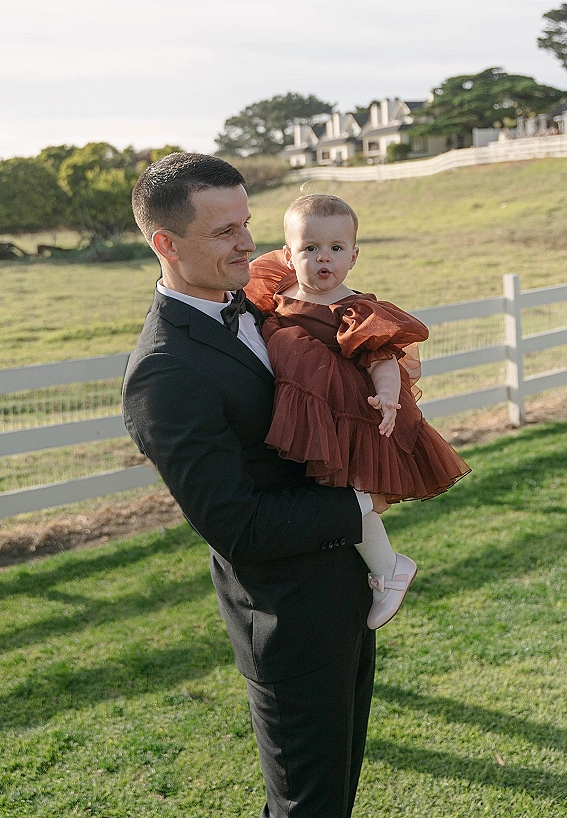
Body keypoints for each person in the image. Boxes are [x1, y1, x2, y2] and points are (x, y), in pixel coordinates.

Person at [122, 153, 380, 818]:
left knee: (335, 797)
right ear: (165, 244)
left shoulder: (260, 300)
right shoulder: (164, 373)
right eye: (223, 232)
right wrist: (358, 505)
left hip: (342, 595)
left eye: (247, 222)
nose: (247, 243)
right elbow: (239, 526)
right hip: (287, 620)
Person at [245, 194, 471, 629]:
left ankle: (389, 568)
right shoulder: (276, 289)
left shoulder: (354, 309)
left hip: (347, 414)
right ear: (289, 255)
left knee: (349, 493)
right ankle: (381, 567)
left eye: (335, 248)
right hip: (306, 413)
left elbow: (383, 358)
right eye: (309, 248)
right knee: (332, 496)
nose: (322, 258)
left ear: (353, 256)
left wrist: (388, 397)